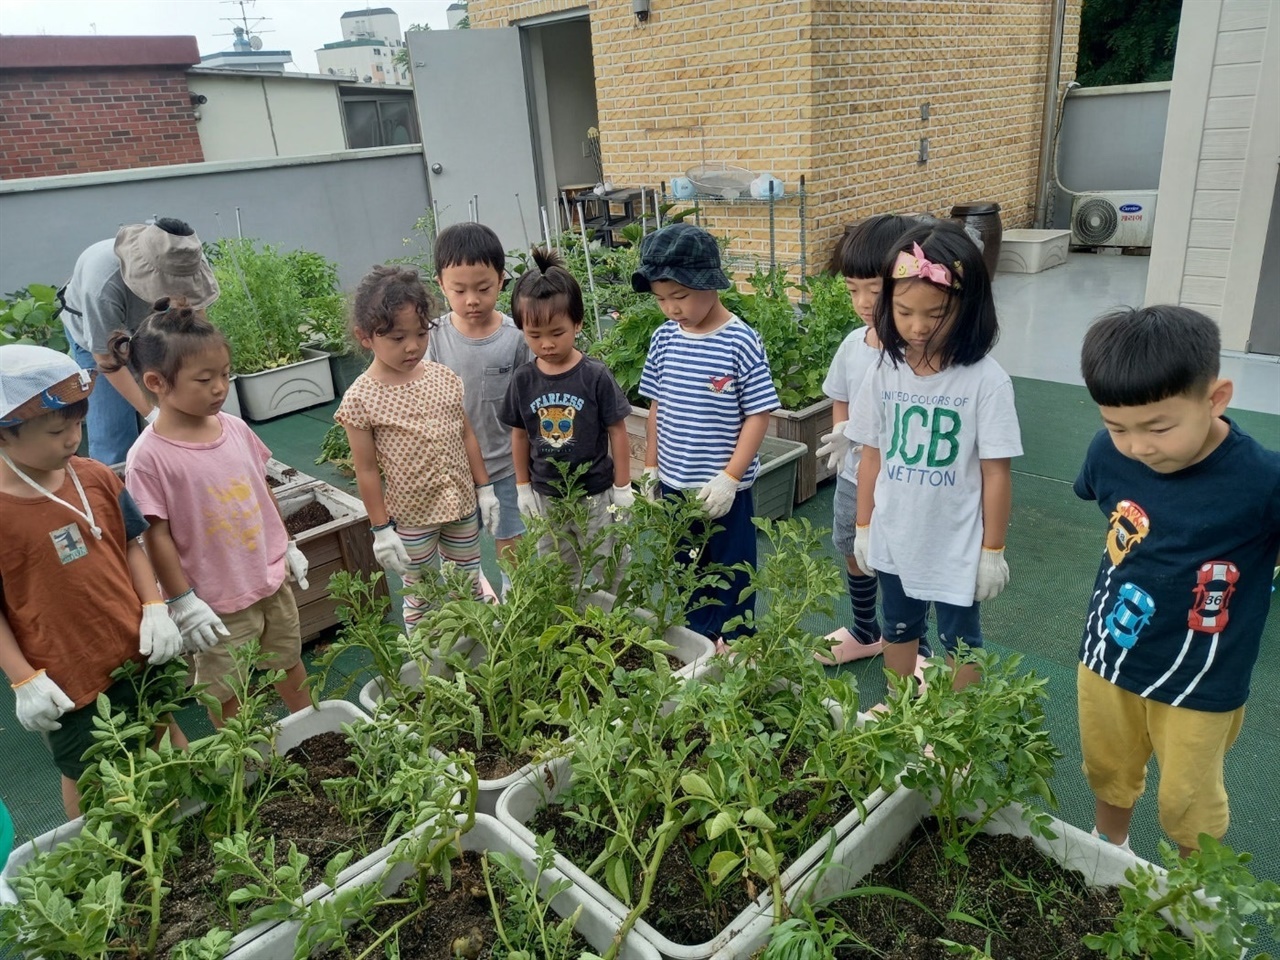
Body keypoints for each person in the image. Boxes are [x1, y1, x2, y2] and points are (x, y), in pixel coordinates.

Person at [1075, 305, 1280, 856]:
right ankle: (1108, 846)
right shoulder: (1107, 456)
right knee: (1107, 764)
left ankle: (1197, 892)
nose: (1138, 446)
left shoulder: (1262, 480)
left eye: (1158, 427)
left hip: (1201, 676)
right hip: (1108, 655)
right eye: (1116, 426)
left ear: (1215, 399)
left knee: (1187, 799)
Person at [0, 345, 184, 818]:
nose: (72, 440)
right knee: (86, 769)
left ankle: (194, 807)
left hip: (132, 646)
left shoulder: (96, 477)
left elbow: (130, 544)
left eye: (78, 426)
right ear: (4, 436)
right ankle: (94, 851)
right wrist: (23, 678)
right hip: (65, 675)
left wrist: (154, 607)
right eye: (57, 431)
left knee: (162, 726)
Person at [111, 299, 313, 726]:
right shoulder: (149, 457)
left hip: (268, 577)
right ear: (157, 382)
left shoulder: (234, 427)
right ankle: (246, 760)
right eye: (204, 379)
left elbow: (262, 492)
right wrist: (183, 601)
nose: (220, 387)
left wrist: (287, 544)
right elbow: (155, 534)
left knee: (287, 660)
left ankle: (310, 725)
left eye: (224, 374)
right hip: (215, 600)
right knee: (225, 689)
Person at [848, 221, 1022, 692]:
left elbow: (996, 473)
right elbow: (871, 458)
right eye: (904, 312)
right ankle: (899, 710)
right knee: (898, 625)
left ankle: (957, 730)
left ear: (967, 308)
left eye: (937, 313)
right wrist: (864, 527)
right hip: (895, 533)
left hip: (956, 543)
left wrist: (993, 551)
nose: (918, 327)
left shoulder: (986, 382)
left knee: (959, 638)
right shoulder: (885, 372)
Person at [633, 223, 780, 644]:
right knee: (687, 565)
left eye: (679, 297)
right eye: (661, 299)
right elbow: (656, 406)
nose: (670, 309)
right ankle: (698, 640)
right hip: (676, 482)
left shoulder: (740, 340)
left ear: (711, 284)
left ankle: (735, 642)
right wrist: (651, 468)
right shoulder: (664, 339)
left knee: (732, 566)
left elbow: (758, 414)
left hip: (720, 487)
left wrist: (731, 477)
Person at [336, 265, 500, 628]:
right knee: (422, 594)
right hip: (412, 518)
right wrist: (380, 528)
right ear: (365, 337)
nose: (412, 346)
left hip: (460, 507)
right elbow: (365, 469)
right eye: (397, 338)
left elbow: (466, 434)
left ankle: (476, 649)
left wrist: (484, 488)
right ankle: (427, 663)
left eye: (421, 333)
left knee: (468, 583)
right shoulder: (361, 399)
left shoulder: (443, 377)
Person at [813, 214, 917, 665]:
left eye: (874, 291)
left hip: (905, 483)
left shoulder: (920, 357)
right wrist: (841, 431)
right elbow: (841, 397)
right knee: (852, 551)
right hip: (855, 478)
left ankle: (918, 646)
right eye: (853, 289)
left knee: (902, 565)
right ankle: (864, 630)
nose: (862, 301)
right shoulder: (854, 344)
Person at [499, 247, 633, 589]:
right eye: (534, 336)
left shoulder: (595, 375)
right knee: (557, 567)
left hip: (595, 493)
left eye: (557, 333)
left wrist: (623, 486)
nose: (546, 344)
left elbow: (617, 431)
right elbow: (519, 435)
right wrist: (522, 488)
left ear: (578, 323)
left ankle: (608, 622)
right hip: (546, 496)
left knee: (606, 563)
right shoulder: (524, 380)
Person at [60, 218, 218, 465]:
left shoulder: (186, 258)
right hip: (94, 332)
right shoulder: (103, 285)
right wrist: (153, 413)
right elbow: (106, 358)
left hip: (150, 325)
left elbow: (195, 323)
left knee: (177, 394)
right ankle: (117, 493)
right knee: (114, 432)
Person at [428, 223, 531, 589]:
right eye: (459, 290)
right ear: (441, 284)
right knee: (458, 555)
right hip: (451, 470)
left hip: (504, 464)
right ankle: (472, 615)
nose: (471, 299)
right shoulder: (433, 337)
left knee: (512, 545)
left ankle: (515, 611)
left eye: (483, 288)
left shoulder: (516, 338)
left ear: (501, 281)